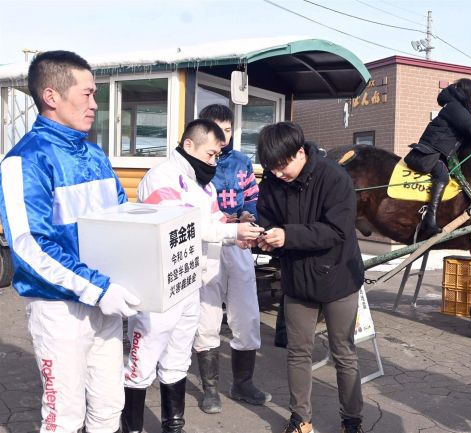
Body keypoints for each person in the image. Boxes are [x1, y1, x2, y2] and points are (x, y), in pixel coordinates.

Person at [0, 50, 140, 433]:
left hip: (105, 302)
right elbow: (29, 245)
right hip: (59, 309)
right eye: (88, 94)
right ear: (51, 96)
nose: (95, 104)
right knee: (63, 416)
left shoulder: (95, 155)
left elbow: (122, 220)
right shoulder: (24, 161)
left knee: (110, 406)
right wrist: (96, 288)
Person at [121, 119, 264, 433]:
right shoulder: (161, 179)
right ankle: (131, 426)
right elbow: (180, 228)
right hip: (159, 288)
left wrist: (235, 233)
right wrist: (229, 230)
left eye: (218, 155)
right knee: (142, 360)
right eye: (211, 154)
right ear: (189, 146)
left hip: (190, 283)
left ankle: (174, 424)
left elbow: (212, 219)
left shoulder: (205, 184)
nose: (215, 161)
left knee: (177, 357)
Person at [256, 122, 365, 433]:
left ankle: (352, 420)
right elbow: (266, 214)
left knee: (342, 351)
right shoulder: (273, 181)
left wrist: (286, 236)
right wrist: (263, 234)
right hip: (297, 279)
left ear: (300, 152)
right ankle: (300, 419)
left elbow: (337, 230)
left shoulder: (334, 177)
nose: (277, 173)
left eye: (282, 165)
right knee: (298, 351)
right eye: (270, 167)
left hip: (339, 276)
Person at [194, 104, 270, 413]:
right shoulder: (196, 163)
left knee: (247, 313)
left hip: (239, 240)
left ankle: (242, 383)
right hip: (207, 244)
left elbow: (253, 195)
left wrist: (249, 212)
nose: (222, 137)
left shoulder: (242, 162)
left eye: (227, 130)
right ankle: (210, 389)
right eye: (216, 129)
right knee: (207, 315)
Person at [405, 78, 471, 238]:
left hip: (436, 151)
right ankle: (429, 221)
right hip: (429, 152)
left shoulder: (455, 106)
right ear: (469, 94)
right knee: (441, 176)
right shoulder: (455, 108)